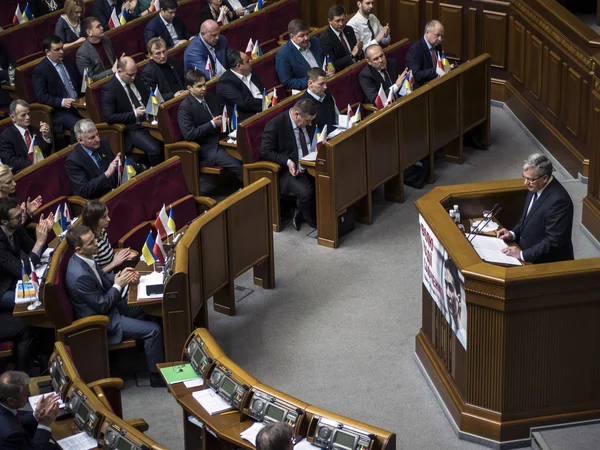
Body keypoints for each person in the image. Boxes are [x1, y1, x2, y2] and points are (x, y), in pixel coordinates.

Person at [65, 225, 165, 387]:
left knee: (151, 304)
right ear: (79, 249)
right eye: (91, 242)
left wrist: (121, 276)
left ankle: (157, 353)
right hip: (103, 320)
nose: (97, 243)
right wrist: (118, 285)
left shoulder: (86, 257)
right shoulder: (79, 276)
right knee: (153, 330)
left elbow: (102, 277)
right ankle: (156, 376)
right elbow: (102, 305)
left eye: (95, 239)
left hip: (112, 306)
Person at [497, 153, 574, 264]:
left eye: (530, 179)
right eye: (525, 177)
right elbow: (527, 218)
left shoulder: (559, 201)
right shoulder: (535, 186)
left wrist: (522, 254)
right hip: (528, 251)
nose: (525, 183)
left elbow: (553, 241)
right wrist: (512, 233)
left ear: (545, 178)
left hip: (546, 263)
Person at [260, 99, 317, 230]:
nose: (310, 124)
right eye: (307, 121)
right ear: (296, 115)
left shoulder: (306, 120)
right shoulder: (275, 125)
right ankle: (310, 220)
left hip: (310, 160)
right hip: (288, 169)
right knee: (305, 193)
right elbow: (266, 152)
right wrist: (287, 161)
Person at [178, 69, 243, 181]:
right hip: (208, 148)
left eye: (204, 84)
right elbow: (189, 134)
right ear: (189, 88)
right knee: (239, 165)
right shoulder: (185, 107)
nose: (204, 88)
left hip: (224, 138)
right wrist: (212, 124)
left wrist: (224, 120)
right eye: (199, 86)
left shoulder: (210, 97)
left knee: (248, 156)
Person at [101, 57, 164, 166]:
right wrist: (134, 114)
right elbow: (109, 117)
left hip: (150, 120)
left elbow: (148, 96)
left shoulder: (136, 78)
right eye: (130, 75)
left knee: (170, 139)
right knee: (155, 149)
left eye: (135, 73)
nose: (134, 77)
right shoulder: (109, 88)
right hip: (132, 127)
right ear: (119, 72)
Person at [0, 197, 53, 312]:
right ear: (4, 222)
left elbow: (33, 250)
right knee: (41, 299)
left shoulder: (16, 228)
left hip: (16, 277)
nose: (23, 218)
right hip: (3, 287)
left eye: (22, 213)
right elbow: (20, 269)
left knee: (47, 289)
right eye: (18, 217)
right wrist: (39, 243)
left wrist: (44, 233)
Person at [32, 36, 83, 140]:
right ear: (47, 52)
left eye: (62, 48)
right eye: (57, 49)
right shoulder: (41, 70)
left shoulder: (68, 60)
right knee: (79, 127)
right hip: (59, 110)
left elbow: (79, 81)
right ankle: (76, 153)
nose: (61, 52)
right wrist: (62, 101)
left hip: (79, 104)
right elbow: (41, 96)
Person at [0, 370, 61, 449]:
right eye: (25, 394)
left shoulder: (5, 407)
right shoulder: (12, 435)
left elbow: (18, 422)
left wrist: (37, 415)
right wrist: (43, 424)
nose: (29, 395)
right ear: (11, 401)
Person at [65, 119, 121, 199]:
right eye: (92, 138)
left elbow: (114, 168)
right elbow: (84, 191)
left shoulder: (103, 144)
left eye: (97, 134)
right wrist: (107, 174)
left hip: (113, 191)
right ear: (80, 140)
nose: (98, 139)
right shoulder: (73, 161)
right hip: (96, 201)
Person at [81, 200, 136, 273]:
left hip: (114, 271)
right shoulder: (91, 243)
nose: (109, 219)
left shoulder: (102, 231)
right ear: (94, 221)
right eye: (104, 217)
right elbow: (96, 275)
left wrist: (124, 256)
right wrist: (114, 263)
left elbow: (108, 255)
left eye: (107, 215)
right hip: (106, 280)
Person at [0, 100, 52, 174]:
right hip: (23, 173)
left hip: (41, 168)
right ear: (13, 117)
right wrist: (35, 162)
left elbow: (46, 152)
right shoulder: (6, 136)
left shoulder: (34, 129)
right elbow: (10, 161)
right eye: (23, 115)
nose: (28, 117)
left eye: (28, 113)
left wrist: (46, 136)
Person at [276, 20, 329, 91]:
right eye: (302, 36)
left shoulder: (315, 41)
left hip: (328, 81)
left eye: (307, 34)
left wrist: (331, 68)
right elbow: (287, 81)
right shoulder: (283, 54)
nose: (306, 38)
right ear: (292, 36)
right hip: (307, 90)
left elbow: (326, 57)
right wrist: (313, 82)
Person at [216, 50, 264, 122]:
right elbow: (243, 103)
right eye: (247, 61)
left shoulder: (250, 72)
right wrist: (266, 101)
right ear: (239, 66)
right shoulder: (225, 83)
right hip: (247, 119)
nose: (251, 62)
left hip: (264, 109)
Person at [406, 20, 451, 88]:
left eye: (441, 35)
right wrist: (437, 70)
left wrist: (447, 67)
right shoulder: (415, 49)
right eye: (437, 35)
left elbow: (440, 63)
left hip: (437, 83)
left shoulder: (437, 45)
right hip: (422, 88)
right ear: (427, 32)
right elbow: (417, 75)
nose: (440, 39)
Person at [320, 5, 363, 72]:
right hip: (342, 72)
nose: (341, 23)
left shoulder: (349, 29)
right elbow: (332, 64)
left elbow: (356, 52)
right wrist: (351, 55)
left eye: (343, 20)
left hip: (356, 66)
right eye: (337, 21)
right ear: (329, 20)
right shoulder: (325, 38)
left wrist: (359, 50)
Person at [76, 17, 120, 83]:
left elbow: (114, 60)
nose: (102, 28)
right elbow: (89, 79)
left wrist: (119, 63)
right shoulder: (82, 53)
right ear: (89, 32)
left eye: (101, 25)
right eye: (98, 27)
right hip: (101, 84)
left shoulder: (106, 40)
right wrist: (111, 71)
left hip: (117, 77)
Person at [443, 256, 466, 347]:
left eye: (451, 287)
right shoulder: (446, 325)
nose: (447, 293)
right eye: (446, 285)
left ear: (459, 298)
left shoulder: (464, 340)